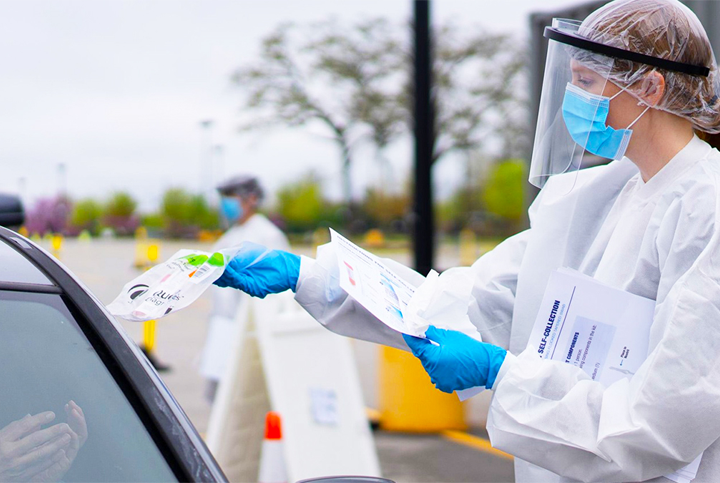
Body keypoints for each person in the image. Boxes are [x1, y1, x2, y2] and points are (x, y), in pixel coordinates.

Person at [211, 0, 720, 480]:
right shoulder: (598, 197)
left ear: (651, 89)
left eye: (588, 82)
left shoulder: (707, 208)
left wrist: (502, 375)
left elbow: (661, 421)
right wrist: (312, 278)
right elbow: (470, 299)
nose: (574, 101)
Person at [200, 175, 289, 403]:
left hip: (250, 328)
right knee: (219, 397)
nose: (226, 204)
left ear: (251, 199)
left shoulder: (267, 236)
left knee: (246, 397)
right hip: (224, 326)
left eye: (231, 198)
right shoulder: (230, 236)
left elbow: (276, 291)